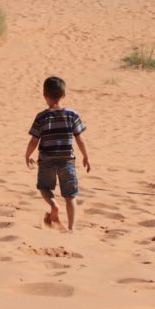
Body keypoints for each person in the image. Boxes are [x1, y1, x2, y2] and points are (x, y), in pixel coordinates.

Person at [25, 76, 90, 231]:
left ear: (45, 96)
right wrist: (86, 156)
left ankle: (54, 205)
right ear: (64, 95)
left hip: (46, 159)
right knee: (70, 196)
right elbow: (80, 139)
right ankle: (72, 228)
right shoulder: (72, 115)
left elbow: (34, 140)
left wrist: (27, 155)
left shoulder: (42, 117)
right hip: (67, 160)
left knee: (44, 187)